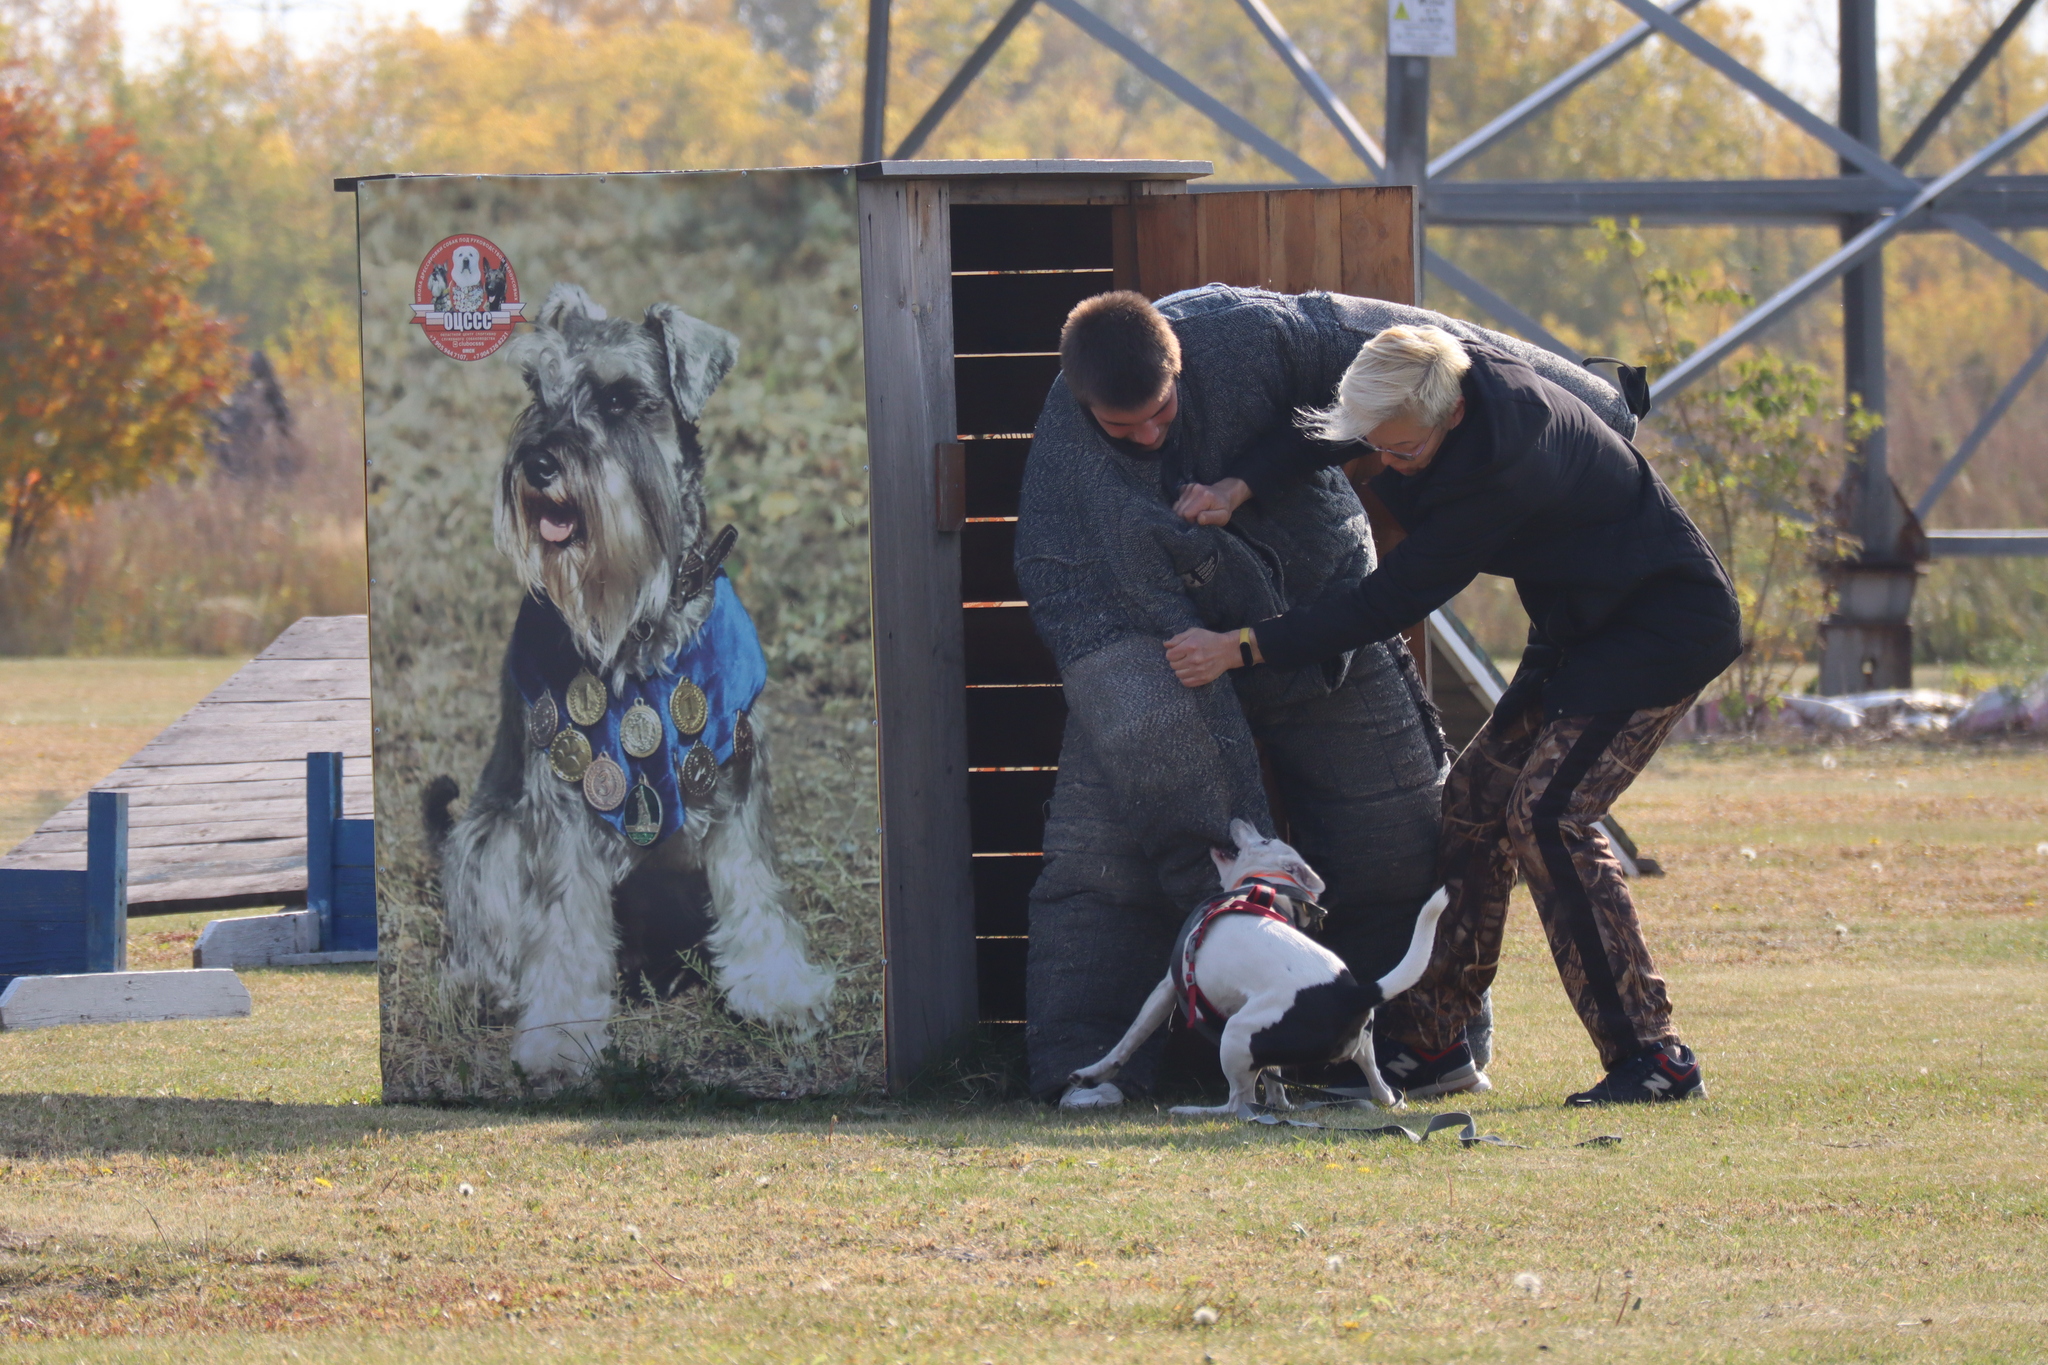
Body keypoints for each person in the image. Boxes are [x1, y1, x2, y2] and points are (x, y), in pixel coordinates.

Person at [1013, 287, 1636, 1107]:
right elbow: (1070, 601)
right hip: (1146, 643)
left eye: (1161, 412)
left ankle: (1416, 1046)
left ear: (1180, 360)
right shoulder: (1063, 470)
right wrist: (1173, 725)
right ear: (1080, 400)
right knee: (1112, 862)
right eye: (1122, 430)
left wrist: (1599, 404)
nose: (1151, 436)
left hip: (1319, 603)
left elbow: (1423, 348)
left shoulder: (1244, 334)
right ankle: (1086, 1069)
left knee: (1399, 833)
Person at [1164, 324, 1739, 1105]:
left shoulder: (1503, 467)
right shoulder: (1417, 378)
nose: (1386, 465)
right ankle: (1431, 1046)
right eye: (1379, 446)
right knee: (1472, 802)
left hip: (1659, 629)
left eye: (1402, 453)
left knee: (1546, 814)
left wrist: (1244, 646)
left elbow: (1389, 600)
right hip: (1579, 626)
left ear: (1453, 416)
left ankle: (1654, 1055)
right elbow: (1330, 433)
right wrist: (1240, 485)